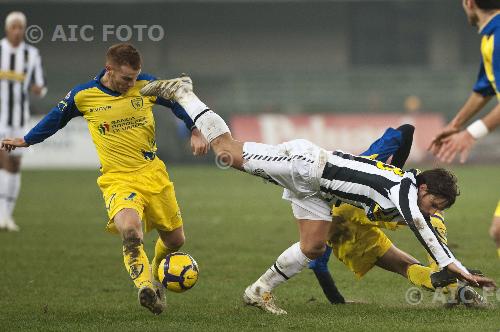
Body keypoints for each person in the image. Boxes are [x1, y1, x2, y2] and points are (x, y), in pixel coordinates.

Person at [136, 76, 489, 315]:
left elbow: (424, 222)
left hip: (317, 190)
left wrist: (451, 266)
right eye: (434, 203)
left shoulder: (411, 192)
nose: (431, 210)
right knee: (227, 151)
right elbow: (418, 223)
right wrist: (452, 265)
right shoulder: (406, 193)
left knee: (313, 247)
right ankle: (183, 92)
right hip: (305, 166)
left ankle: (257, 293)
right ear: (424, 189)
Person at [1, 44, 209, 315]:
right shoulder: (84, 95)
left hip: (153, 174)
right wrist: (27, 140)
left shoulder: (145, 85)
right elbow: (56, 118)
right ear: (109, 70)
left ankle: (157, 275)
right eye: (126, 79)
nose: (131, 84)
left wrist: (195, 129)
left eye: (135, 78)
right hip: (117, 179)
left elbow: (177, 101)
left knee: (175, 241)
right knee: (131, 230)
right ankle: (145, 288)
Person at [428, 0, 500, 259]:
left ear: (469, 3)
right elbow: (485, 88)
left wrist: (471, 133)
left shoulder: (499, 37)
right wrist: (455, 125)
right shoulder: (491, 37)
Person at [0, 11, 46, 231]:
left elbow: (40, 85)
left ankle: (7, 215)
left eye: (21, 27)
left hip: (20, 117)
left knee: (15, 165)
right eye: (14, 27)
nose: (17, 31)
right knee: (5, 161)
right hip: (0, 118)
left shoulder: (32, 54)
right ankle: (2, 215)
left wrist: (39, 90)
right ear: (7, 29)